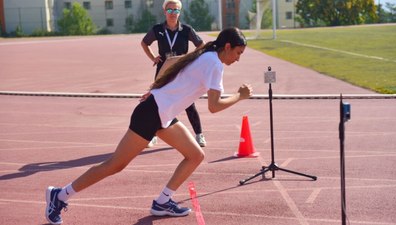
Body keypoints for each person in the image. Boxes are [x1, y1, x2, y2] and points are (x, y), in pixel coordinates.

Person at [45, 27, 251, 224]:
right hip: (152, 114)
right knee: (115, 165)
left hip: (162, 114)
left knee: (195, 155)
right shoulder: (214, 64)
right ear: (227, 47)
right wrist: (239, 96)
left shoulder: (204, 55)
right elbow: (214, 106)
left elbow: (170, 62)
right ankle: (60, 195)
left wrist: (155, 90)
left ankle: (163, 202)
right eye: (238, 53)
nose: (238, 59)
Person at [141, 0, 207, 147]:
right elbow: (144, 43)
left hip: (182, 69)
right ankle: (152, 135)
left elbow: (201, 45)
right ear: (165, 12)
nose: (173, 13)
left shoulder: (186, 30)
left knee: (189, 103)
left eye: (176, 10)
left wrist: (190, 58)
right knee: (157, 102)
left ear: (179, 12)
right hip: (163, 69)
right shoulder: (157, 29)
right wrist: (153, 57)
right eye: (170, 10)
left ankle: (199, 134)